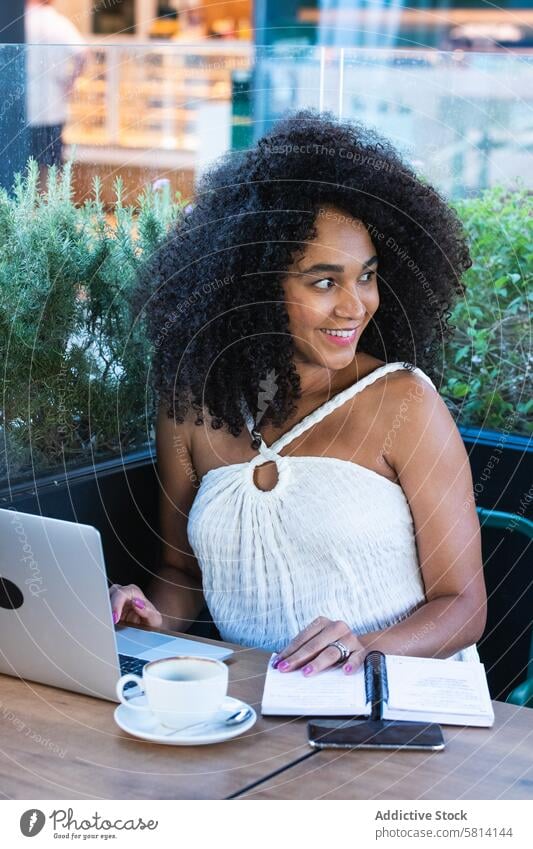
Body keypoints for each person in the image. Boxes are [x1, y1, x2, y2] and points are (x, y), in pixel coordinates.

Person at [111, 109, 487, 678]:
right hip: (256, 712)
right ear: (257, 287)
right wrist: (147, 616)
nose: (355, 305)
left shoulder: (403, 403)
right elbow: (181, 573)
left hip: (396, 702)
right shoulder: (191, 407)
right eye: (324, 282)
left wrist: (365, 647)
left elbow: (463, 605)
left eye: (367, 275)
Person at [25, 0, 86, 184]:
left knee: (24, 170)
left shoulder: (21, 21)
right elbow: (83, 54)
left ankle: (26, 211)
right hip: (53, 108)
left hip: (24, 111)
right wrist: (70, 82)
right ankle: (49, 210)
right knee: (51, 169)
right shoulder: (59, 23)